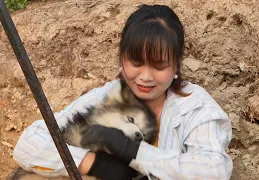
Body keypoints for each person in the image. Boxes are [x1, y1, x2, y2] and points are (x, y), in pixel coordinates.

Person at [13, 4, 233, 180]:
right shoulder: (108, 96)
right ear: (122, 59)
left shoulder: (195, 107)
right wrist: (94, 163)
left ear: (175, 65)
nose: (146, 77)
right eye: (136, 63)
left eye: (159, 66)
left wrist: (133, 152)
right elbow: (29, 143)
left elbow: (215, 171)